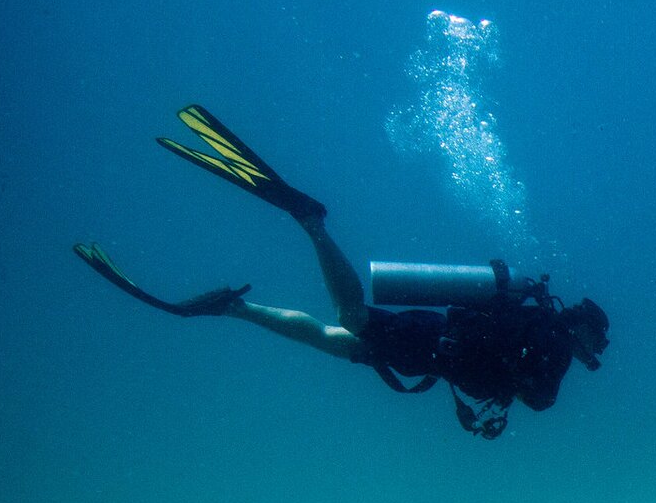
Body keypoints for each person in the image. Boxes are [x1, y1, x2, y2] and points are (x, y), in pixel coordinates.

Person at [75, 106, 609, 438]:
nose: (594, 353)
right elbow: (540, 400)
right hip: (430, 342)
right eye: (595, 341)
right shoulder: (554, 343)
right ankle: (312, 224)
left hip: (432, 344)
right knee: (349, 319)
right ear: (582, 327)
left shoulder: (538, 323)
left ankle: (236, 308)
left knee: (336, 339)